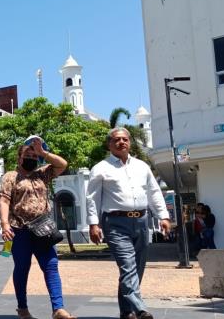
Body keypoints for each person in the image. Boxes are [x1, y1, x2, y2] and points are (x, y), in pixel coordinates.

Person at [86, 128, 171, 319]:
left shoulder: (142, 166)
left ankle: (126, 311)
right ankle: (140, 308)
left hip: (141, 221)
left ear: (130, 143)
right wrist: (93, 224)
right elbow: (92, 199)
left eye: (125, 139)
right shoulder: (100, 168)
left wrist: (163, 216)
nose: (121, 142)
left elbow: (154, 193)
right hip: (115, 223)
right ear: (109, 144)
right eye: (117, 140)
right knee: (127, 265)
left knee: (137, 267)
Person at [0, 136, 77, 319]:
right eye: (28, 154)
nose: (32, 157)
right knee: (22, 267)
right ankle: (23, 309)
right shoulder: (10, 176)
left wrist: (43, 152)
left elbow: (62, 164)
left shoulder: (42, 173)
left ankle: (58, 308)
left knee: (51, 266)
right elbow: (3, 200)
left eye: (35, 155)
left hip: (43, 229)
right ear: (19, 158)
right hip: (19, 230)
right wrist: (4, 224)